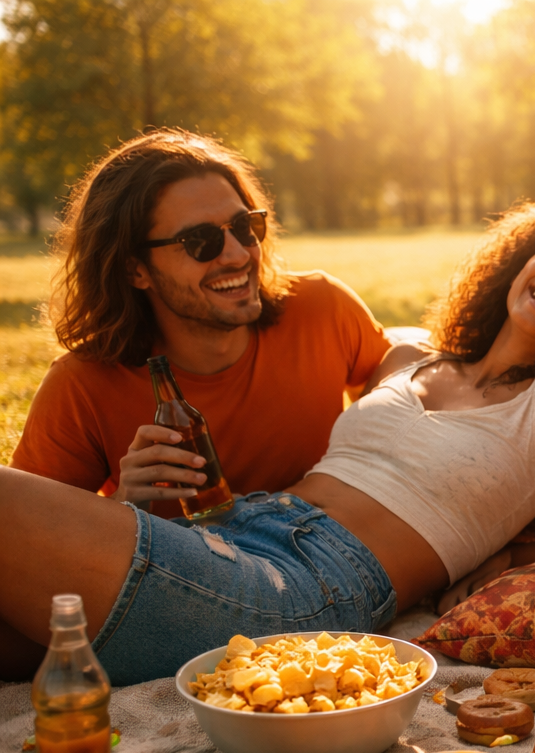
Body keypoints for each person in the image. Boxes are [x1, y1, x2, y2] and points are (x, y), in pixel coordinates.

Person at [0, 194, 535, 684]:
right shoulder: (412, 358)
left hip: (311, 587)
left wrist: (506, 554)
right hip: (241, 527)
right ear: (524, 258)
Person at [12, 129, 391, 519]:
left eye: (244, 227)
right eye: (200, 240)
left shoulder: (322, 307)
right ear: (135, 268)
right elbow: (24, 534)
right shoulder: (81, 388)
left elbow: (403, 380)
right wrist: (122, 506)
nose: (237, 254)